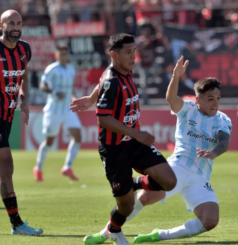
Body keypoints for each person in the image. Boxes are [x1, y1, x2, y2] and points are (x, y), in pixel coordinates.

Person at [71, 56, 232, 244]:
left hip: (200, 177)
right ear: (198, 99)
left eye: (218, 98)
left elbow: (224, 142)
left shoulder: (223, 119)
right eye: (210, 98)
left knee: (210, 221)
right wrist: (175, 76)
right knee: (144, 199)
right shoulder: (188, 109)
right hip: (177, 168)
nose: (215, 103)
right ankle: (106, 232)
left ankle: (160, 234)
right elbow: (171, 98)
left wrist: (214, 152)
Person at [71, 33, 177, 245]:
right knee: (126, 206)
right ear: (114, 55)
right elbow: (103, 119)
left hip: (134, 144)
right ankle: (115, 231)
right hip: (115, 150)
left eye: (134, 51)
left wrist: (92, 98)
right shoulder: (113, 80)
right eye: (128, 52)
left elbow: (101, 83)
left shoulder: (122, 73)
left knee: (169, 181)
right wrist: (137, 133)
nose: (133, 56)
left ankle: (130, 184)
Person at [0, 10, 43, 235]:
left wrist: (23, 98)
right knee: (6, 164)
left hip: (7, 115)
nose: (16, 26)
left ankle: (17, 225)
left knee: (4, 167)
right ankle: (17, 225)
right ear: (1, 25)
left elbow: (24, 74)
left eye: (19, 22)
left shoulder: (25, 49)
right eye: (11, 22)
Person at [33, 45, 81, 182]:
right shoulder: (52, 69)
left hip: (67, 109)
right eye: (61, 54)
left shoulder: (71, 70)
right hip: (53, 110)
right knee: (49, 141)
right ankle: (38, 167)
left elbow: (69, 89)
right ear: (56, 55)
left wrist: (73, 98)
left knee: (77, 136)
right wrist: (54, 92)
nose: (64, 56)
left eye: (65, 54)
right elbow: (43, 86)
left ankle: (67, 167)